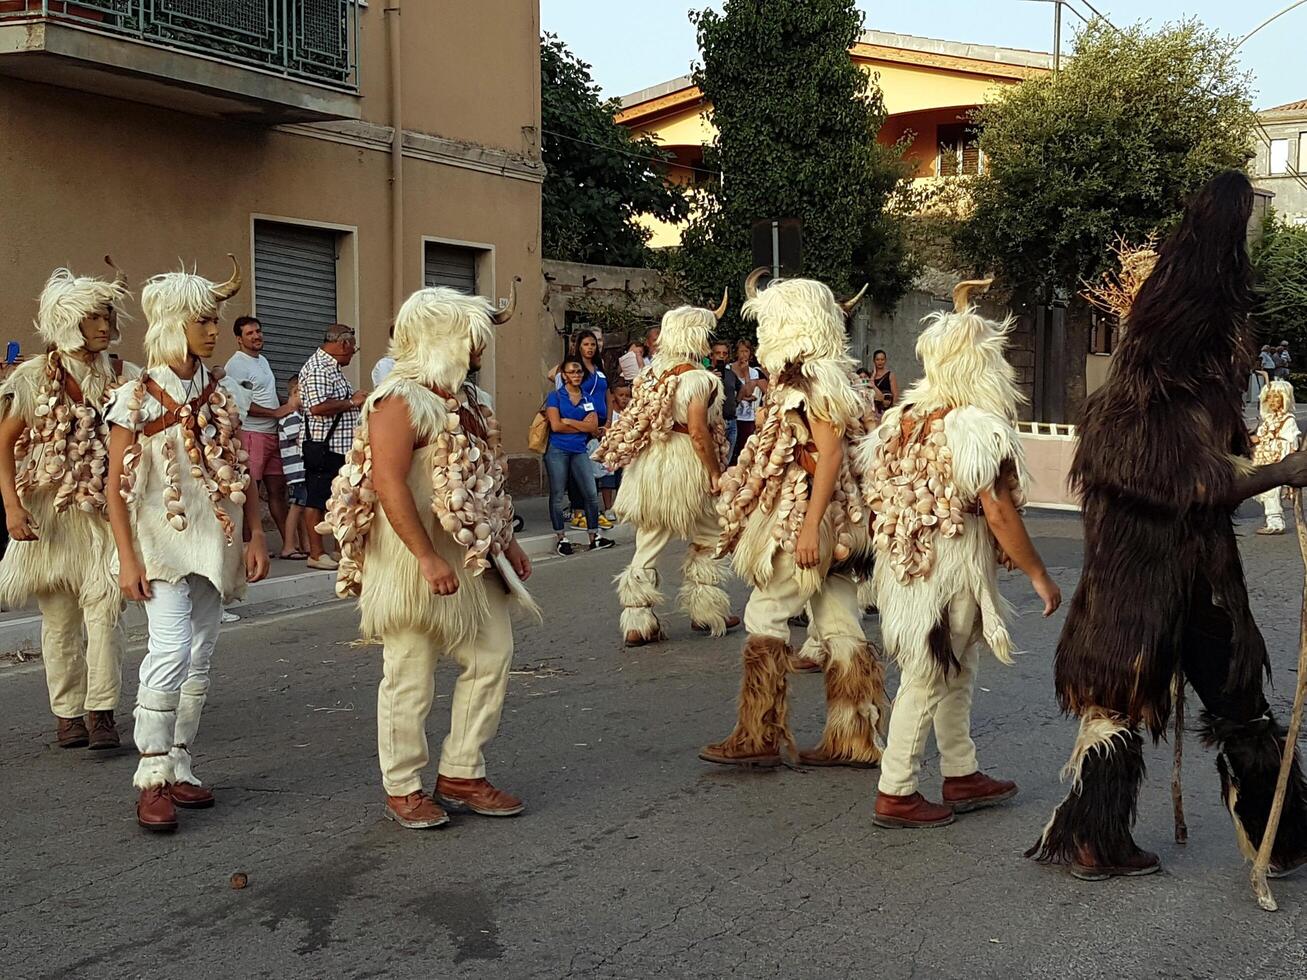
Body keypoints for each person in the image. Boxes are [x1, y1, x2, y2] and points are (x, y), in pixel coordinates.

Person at [1028, 171, 1307, 881]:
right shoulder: (1171, 403)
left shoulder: (1116, 402)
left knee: (1116, 708)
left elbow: (1192, 470)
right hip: (1183, 581)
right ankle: (1281, 837)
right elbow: (1200, 485)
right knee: (1235, 706)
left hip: (1122, 589)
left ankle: (1095, 839)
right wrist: (1282, 472)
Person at [318, 282, 537, 829]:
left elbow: (484, 481)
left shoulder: (469, 403)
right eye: (472, 336)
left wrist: (505, 539)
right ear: (443, 336)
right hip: (411, 563)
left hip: (469, 557)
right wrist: (424, 557)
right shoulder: (398, 400)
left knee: (493, 655)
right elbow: (388, 483)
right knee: (410, 674)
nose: (480, 348)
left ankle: (462, 770)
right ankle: (404, 786)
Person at [863, 281, 1061, 829]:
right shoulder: (973, 425)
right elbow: (997, 512)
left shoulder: (901, 419)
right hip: (948, 569)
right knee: (928, 674)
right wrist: (1039, 574)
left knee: (956, 665)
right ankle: (896, 790)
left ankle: (961, 770)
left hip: (910, 564)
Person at [104, 256, 270, 831]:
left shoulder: (221, 394)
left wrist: (254, 534)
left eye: (214, 321)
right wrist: (127, 557)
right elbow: (114, 487)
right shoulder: (134, 398)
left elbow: (240, 468)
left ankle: (181, 764)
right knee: (170, 649)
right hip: (161, 544)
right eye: (201, 320)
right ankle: (151, 773)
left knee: (201, 653)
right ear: (172, 323)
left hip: (214, 542)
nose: (210, 330)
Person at [703, 271, 888, 769]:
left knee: (765, 614)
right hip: (843, 520)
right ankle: (854, 737)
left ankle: (758, 735)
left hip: (813, 520)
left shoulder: (811, 380)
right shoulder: (840, 377)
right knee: (839, 622)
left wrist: (808, 527)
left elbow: (826, 456)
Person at [0, 261, 132, 750]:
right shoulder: (32, 379)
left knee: (105, 614)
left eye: (107, 317)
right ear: (67, 320)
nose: (104, 326)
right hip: (48, 518)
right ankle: (67, 715)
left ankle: (102, 712)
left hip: (102, 517)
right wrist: (13, 508)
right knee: (58, 622)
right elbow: (5, 444)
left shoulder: (123, 375)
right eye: (93, 317)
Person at [594, 295, 741, 647]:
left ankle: (637, 619)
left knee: (649, 540)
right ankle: (706, 610)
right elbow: (697, 431)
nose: (708, 340)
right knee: (709, 534)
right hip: (684, 466)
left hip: (650, 465)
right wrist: (714, 472)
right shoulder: (700, 379)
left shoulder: (651, 374)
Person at [299, 324, 365, 571]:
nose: (352, 353)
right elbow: (317, 407)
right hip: (323, 446)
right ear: (343, 344)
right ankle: (316, 553)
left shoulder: (333, 369)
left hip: (339, 446)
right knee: (316, 499)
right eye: (353, 348)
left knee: (338, 499)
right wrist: (352, 401)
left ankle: (339, 549)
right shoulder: (318, 369)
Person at [224, 316, 292, 554]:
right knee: (249, 492)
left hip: (273, 434)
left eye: (258, 332)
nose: (256, 336)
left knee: (278, 491)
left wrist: (288, 406)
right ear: (239, 339)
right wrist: (275, 412)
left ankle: (289, 545)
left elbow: (267, 394)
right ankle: (247, 547)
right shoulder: (236, 365)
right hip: (252, 434)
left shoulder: (262, 360)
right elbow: (239, 402)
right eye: (250, 333)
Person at [545, 358, 613, 556]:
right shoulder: (555, 396)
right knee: (557, 495)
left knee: (591, 493)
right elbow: (555, 426)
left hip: (579, 449)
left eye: (579, 372)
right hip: (558, 449)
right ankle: (561, 537)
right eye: (572, 372)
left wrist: (569, 421)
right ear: (564, 375)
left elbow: (592, 427)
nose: (576, 375)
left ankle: (594, 536)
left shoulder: (588, 399)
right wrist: (579, 424)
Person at [1250, 379, 1299, 536]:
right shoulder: (1267, 420)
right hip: (1264, 459)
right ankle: (1271, 519)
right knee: (1263, 491)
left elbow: (1292, 442)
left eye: (1276, 397)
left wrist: (1289, 464)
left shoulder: (1288, 419)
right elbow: (1260, 437)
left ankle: (1276, 523)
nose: (1272, 401)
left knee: (1271, 491)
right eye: (1269, 397)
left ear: (1284, 399)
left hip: (1278, 459)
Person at [276, 375, 309, 559]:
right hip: (297, 471)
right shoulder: (291, 418)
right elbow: (299, 439)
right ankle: (289, 545)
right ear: (296, 392)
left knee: (302, 507)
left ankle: (304, 544)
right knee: (296, 506)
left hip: (301, 470)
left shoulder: (298, 417)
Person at [730, 338, 766, 465]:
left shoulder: (755, 372)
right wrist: (744, 397)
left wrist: (746, 374)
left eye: (746, 351)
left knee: (745, 452)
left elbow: (749, 392)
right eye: (741, 351)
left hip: (748, 417)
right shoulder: (729, 369)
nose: (743, 355)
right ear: (736, 353)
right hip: (732, 416)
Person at [710, 339, 741, 460]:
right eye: (718, 353)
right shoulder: (704, 373)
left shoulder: (730, 374)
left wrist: (736, 402)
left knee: (727, 461)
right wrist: (711, 379)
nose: (721, 356)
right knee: (714, 461)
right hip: (714, 424)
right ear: (711, 355)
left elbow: (742, 389)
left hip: (731, 422)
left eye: (725, 353)